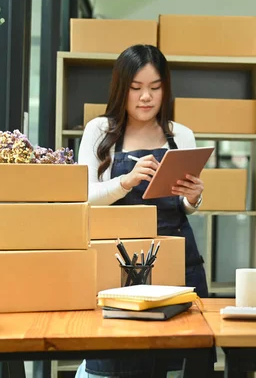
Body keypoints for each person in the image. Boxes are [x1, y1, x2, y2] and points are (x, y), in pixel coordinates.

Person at [75, 44, 209, 378]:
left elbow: (183, 207)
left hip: (178, 261)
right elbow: (81, 197)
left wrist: (193, 198)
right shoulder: (99, 131)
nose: (146, 97)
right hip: (118, 265)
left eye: (155, 87)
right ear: (122, 88)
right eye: (136, 88)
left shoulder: (181, 135)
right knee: (114, 361)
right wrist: (125, 181)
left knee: (183, 358)